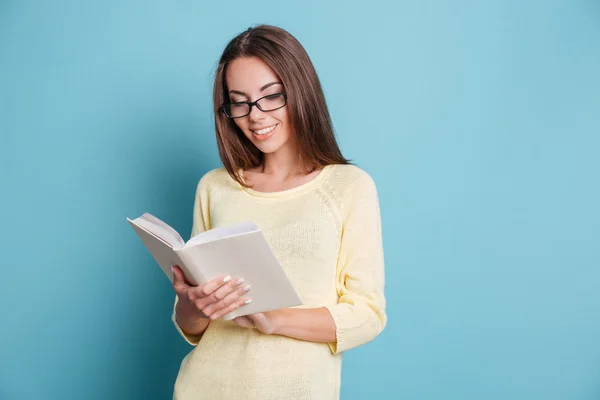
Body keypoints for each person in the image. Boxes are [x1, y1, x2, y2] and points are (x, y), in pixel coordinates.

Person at [170, 24, 386, 400]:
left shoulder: (349, 187)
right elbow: (191, 327)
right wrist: (192, 305)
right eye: (239, 102)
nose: (255, 116)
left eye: (271, 97)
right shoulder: (214, 187)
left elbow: (367, 315)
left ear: (301, 91)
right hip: (203, 388)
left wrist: (274, 320)